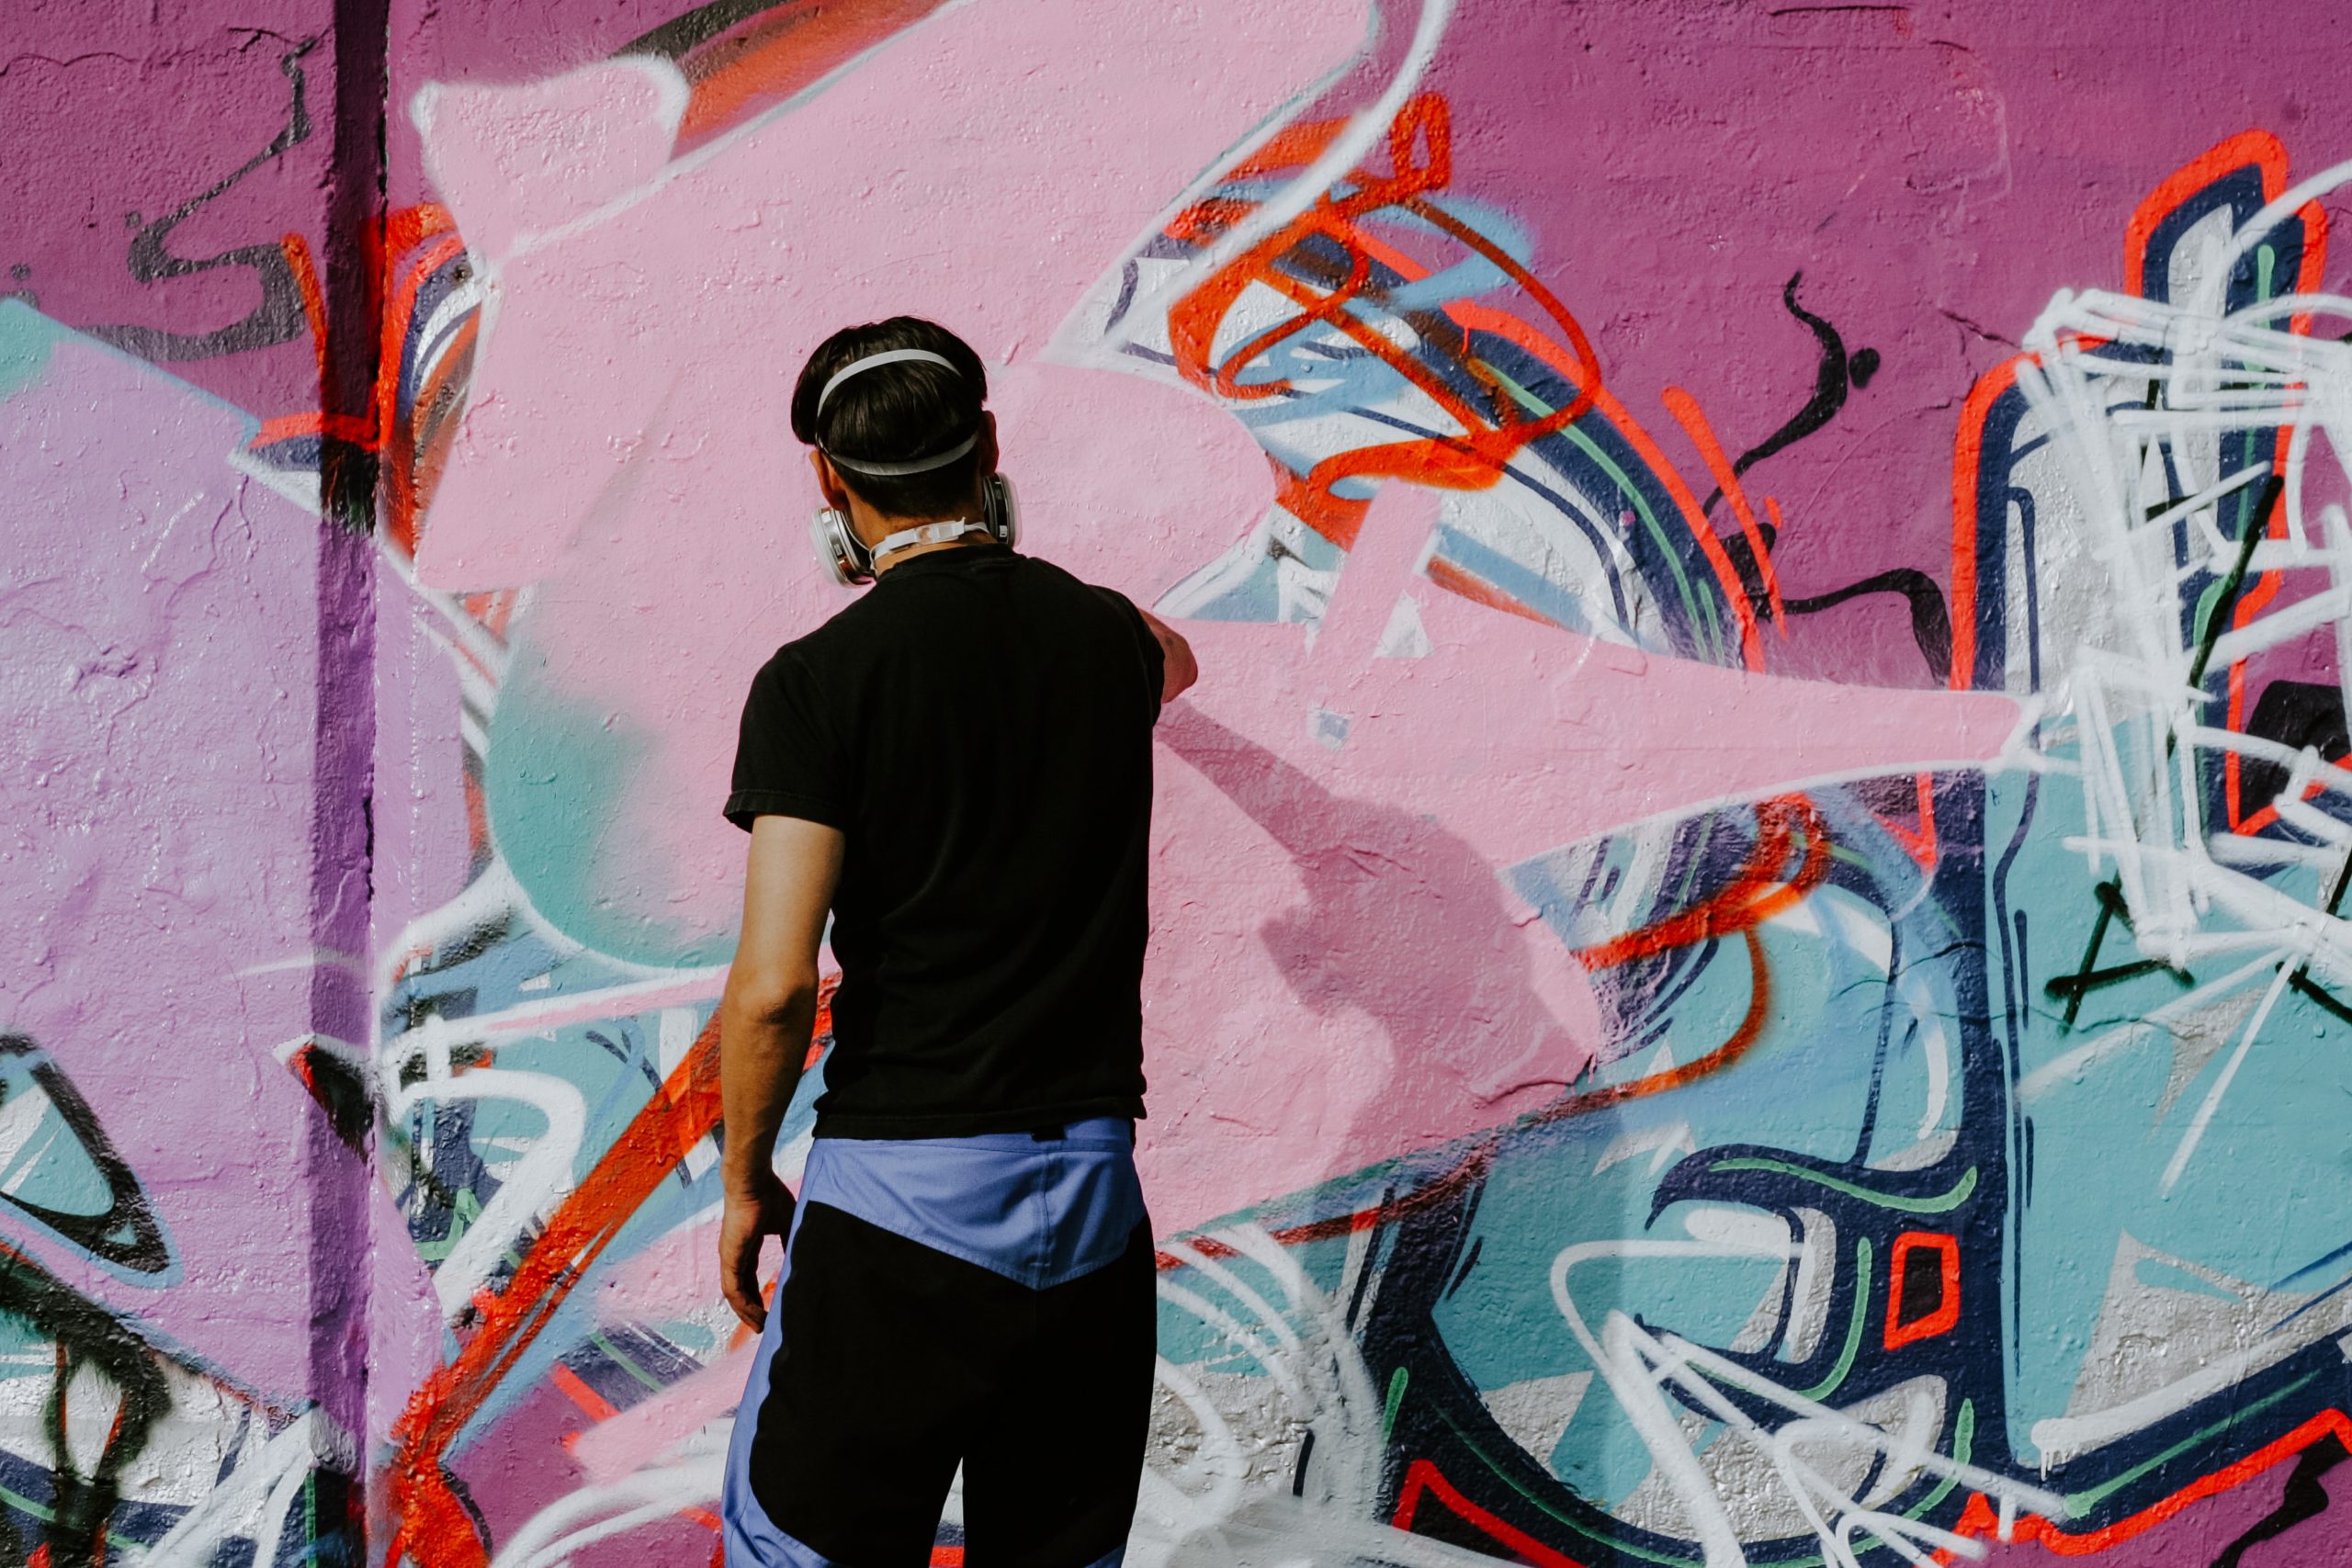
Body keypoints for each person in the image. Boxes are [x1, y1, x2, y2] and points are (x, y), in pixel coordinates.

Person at [715, 316, 1198, 1567]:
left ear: (829, 482)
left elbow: (773, 987)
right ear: (987, 445)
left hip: (904, 1196)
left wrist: (743, 1180)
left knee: (798, 1547)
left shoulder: (819, 683)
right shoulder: (1105, 642)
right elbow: (1171, 655)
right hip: (1092, 1192)